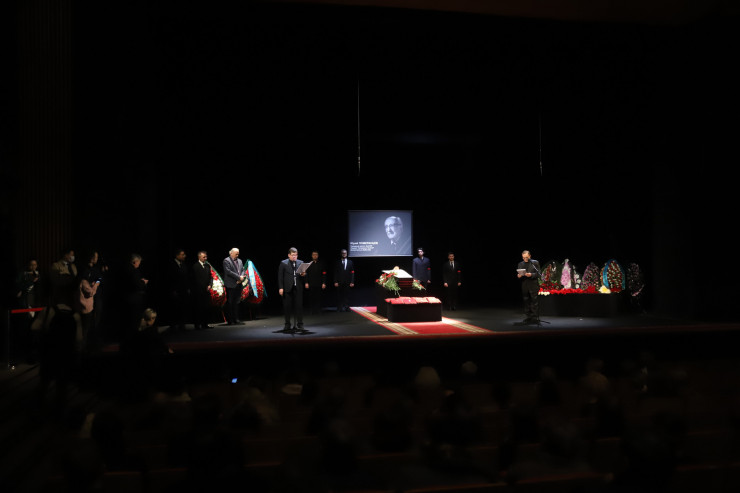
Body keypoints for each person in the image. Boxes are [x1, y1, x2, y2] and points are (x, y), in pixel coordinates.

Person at [278, 247, 306, 332]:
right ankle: (287, 324)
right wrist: (281, 287)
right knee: (287, 307)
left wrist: (304, 274)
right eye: (293, 255)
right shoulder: (284, 263)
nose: (294, 257)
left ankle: (300, 324)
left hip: (298, 288)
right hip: (287, 288)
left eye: (296, 255)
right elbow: (280, 276)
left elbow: (304, 275)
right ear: (289, 255)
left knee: (299, 306)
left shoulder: (301, 263)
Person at [123, 253, 149, 335]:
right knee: (135, 319)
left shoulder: (126, 269)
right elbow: (137, 285)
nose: (139, 264)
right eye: (139, 262)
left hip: (127, 297)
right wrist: (143, 282)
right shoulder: (134, 271)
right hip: (134, 298)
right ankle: (134, 335)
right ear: (135, 262)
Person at [166, 248, 190, 331]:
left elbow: (186, 277)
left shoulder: (183, 264)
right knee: (174, 308)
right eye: (182, 255)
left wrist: (187, 288)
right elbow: (170, 279)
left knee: (183, 308)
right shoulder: (171, 265)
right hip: (175, 291)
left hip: (183, 291)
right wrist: (173, 290)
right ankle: (173, 325)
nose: (184, 256)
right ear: (177, 255)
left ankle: (181, 325)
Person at [191, 250, 214, 330]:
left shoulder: (207, 266)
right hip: (198, 291)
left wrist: (210, 285)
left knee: (206, 308)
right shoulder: (195, 266)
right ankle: (197, 324)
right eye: (204, 257)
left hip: (206, 291)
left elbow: (211, 277)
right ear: (199, 257)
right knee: (199, 308)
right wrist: (201, 287)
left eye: (206, 257)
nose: (205, 258)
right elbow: (194, 279)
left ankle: (205, 324)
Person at [222, 248, 245, 325]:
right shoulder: (226, 261)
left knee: (237, 302)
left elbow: (243, 270)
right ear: (231, 253)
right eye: (236, 254)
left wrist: (241, 278)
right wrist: (239, 277)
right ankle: (230, 319)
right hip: (230, 285)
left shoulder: (240, 261)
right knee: (230, 302)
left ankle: (236, 318)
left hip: (238, 284)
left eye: (238, 254)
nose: (237, 255)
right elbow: (228, 272)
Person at [517, 250, 541, 324]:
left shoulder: (535, 262)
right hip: (525, 284)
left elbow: (539, 274)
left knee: (534, 301)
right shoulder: (520, 264)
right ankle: (528, 317)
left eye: (526, 257)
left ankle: (535, 317)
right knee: (526, 300)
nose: (525, 259)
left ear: (530, 256)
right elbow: (519, 274)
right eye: (523, 257)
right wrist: (519, 276)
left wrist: (531, 274)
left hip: (533, 284)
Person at [304, 250, 327, 315]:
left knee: (318, 297)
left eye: (316, 254)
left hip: (319, 283)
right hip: (311, 283)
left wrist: (324, 283)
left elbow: (324, 274)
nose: (315, 256)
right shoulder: (308, 263)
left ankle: (318, 310)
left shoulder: (321, 263)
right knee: (311, 297)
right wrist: (306, 282)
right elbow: (306, 274)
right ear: (312, 256)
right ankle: (312, 310)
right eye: (313, 255)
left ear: (318, 255)